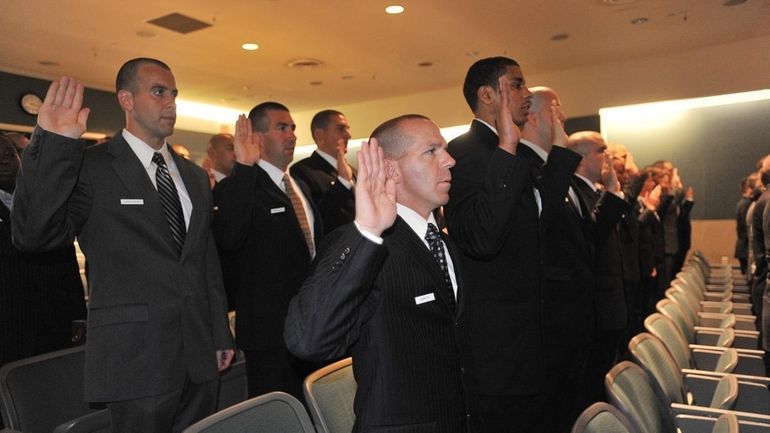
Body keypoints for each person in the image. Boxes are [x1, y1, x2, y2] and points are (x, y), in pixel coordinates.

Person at [12, 59, 234, 433]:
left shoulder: (194, 176)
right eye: (159, 92)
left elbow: (203, 259)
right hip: (135, 359)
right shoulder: (92, 166)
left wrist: (218, 332)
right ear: (126, 100)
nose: (171, 103)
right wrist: (53, 144)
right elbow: (35, 234)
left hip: (198, 354)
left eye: (174, 93)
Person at [285, 114, 477, 433]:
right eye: (431, 151)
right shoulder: (367, 243)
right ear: (390, 169)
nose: (449, 160)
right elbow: (309, 340)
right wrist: (367, 231)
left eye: (444, 149)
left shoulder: (444, 242)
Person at [444, 57, 581, 433]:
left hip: (531, 340)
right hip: (499, 350)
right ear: (487, 94)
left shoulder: (515, 153)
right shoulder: (466, 152)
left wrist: (559, 147)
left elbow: (541, 216)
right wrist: (506, 146)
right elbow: (482, 237)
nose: (527, 93)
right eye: (517, 85)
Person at [213, 103, 322, 400]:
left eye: (293, 128)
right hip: (269, 334)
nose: (292, 135)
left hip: (311, 326)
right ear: (257, 137)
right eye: (281, 127)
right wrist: (245, 168)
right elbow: (229, 237)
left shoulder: (298, 184)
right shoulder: (240, 186)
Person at [517, 86, 595, 432]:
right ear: (531, 116)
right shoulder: (524, 165)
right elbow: (538, 228)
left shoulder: (554, 167)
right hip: (551, 320)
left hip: (573, 316)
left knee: (570, 406)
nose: (562, 116)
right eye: (555, 109)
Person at [1, 133, 86, 367]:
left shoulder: (45, 203)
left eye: (9, 154)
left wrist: (79, 314)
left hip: (54, 325)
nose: (5, 161)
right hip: (10, 330)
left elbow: (66, 260)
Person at [568, 131, 629, 408]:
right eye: (600, 150)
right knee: (591, 386)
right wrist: (614, 193)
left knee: (606, 376)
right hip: (596, 308)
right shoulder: (576, 193)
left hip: (610, 302)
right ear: (580, 159)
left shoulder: (596, 192)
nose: (608, 157)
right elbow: (593, 238)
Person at [290, 109, 356, 233]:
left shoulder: (353, 170)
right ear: (320, 134)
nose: (348, 135)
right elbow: (316, 218)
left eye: (347, 128)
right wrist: (342, 182)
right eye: (341, 129)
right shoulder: (302, 171)